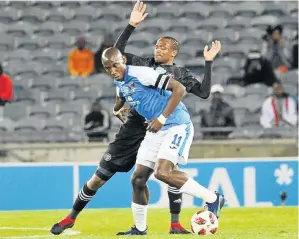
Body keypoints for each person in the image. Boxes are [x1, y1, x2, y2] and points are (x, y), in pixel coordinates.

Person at [50, 1, 218, 235]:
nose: (157, 50)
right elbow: (116, 60)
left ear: (173, 52)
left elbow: (203, 92)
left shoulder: (179, 74)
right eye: (156, 46)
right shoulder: (142, 64)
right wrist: (130, 26)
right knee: (106, 175)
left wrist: (208, 63)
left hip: (164, 123)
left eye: (163, 47)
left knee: (167, 171)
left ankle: (176, 223)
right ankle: (72, 217)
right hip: (136, 125)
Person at [99, 47, 225, 235]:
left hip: (175, 123)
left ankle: (213, 198)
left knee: (162, 172)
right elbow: (122, 96)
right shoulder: (120, 82)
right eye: (107, 68)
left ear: (123, 60)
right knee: (138, 179)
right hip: (155, 129)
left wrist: (162, 119)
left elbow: (179, 89)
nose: (112, 71)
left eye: (115, 65)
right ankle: (140, 229)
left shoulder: (143, 74)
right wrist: (117, 109)